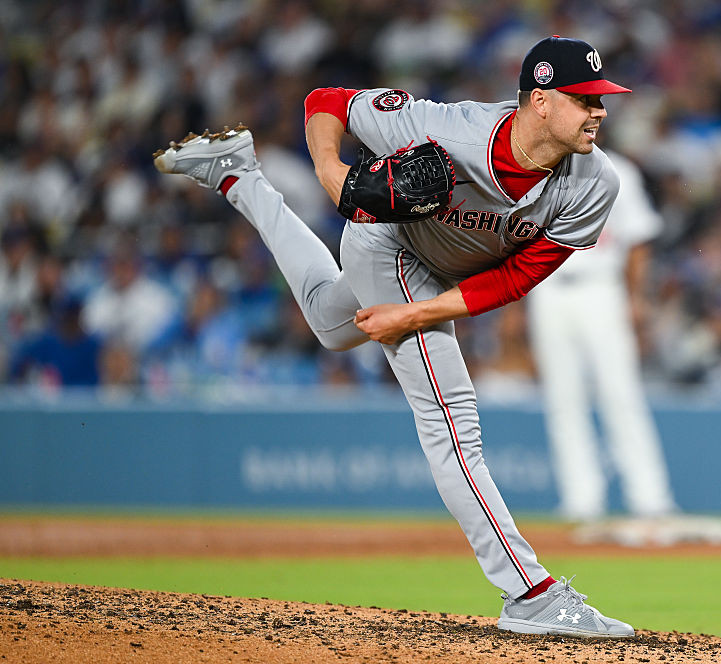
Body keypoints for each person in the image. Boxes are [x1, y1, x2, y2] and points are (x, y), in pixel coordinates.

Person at [154, 36, 635, 638]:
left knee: (332, 326)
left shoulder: (595, 183)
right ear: (540, 101)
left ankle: (238, 175)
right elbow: (327, 100)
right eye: (584, 98)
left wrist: (412, 315)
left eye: (602, 98)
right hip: (389, 243)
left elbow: (515, 278)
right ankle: (531, 593)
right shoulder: (448, 132)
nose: (600, 110)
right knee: (450, 418)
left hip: (438, 276)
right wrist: (333, 175)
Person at [527, 150, 721, 546]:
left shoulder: (619, 169)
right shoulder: (538, 164)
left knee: (620, 395)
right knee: (562, 399)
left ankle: (650, 498)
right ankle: (580, 502)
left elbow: (639, 238)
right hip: (545, 287)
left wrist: (636, 298)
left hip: (601, 285)